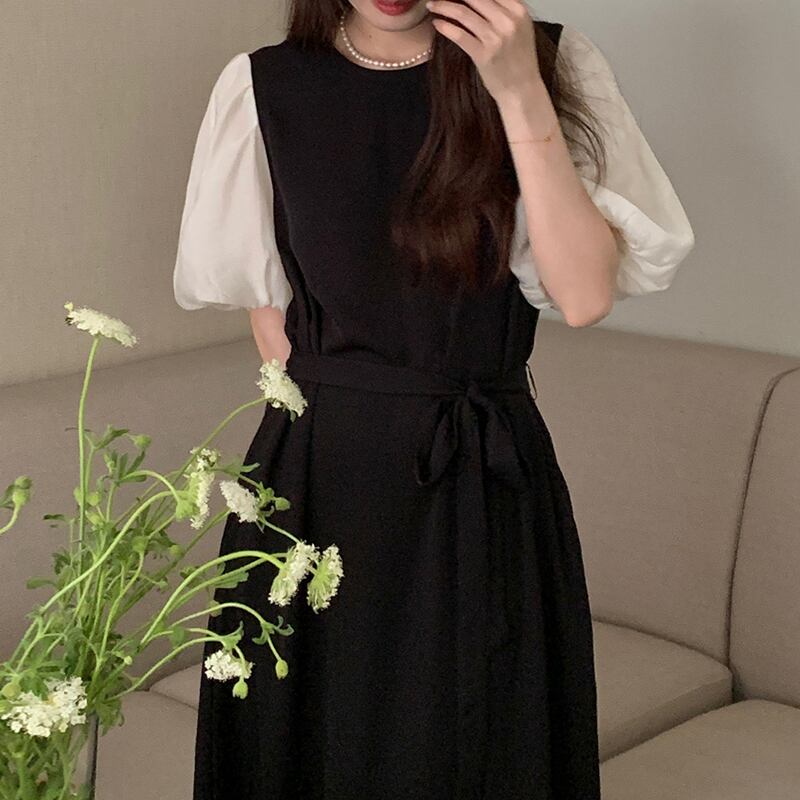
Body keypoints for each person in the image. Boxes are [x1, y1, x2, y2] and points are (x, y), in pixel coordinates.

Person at [172, 1, 695, 798]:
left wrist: (518, 90)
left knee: (475, 744)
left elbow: (585, 294)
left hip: (482, 470)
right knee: (303, 742)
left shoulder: (549, 61)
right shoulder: (263, 86)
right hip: (318, 476)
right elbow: (271, 316)